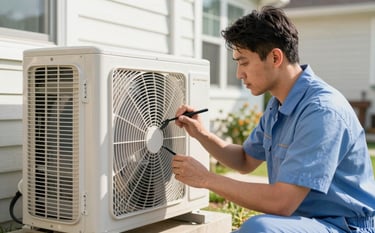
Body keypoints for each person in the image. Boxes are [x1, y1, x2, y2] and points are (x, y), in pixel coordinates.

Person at [171, 6, 375, 233]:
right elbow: (245, 160)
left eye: (244, 62)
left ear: (275, 57)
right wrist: (201, 133)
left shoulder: (322, 112)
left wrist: (206, 179)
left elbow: (282, 202)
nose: (239, 74)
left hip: (346, 226)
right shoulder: (278, 105)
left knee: (259, 228)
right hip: (308, 221)